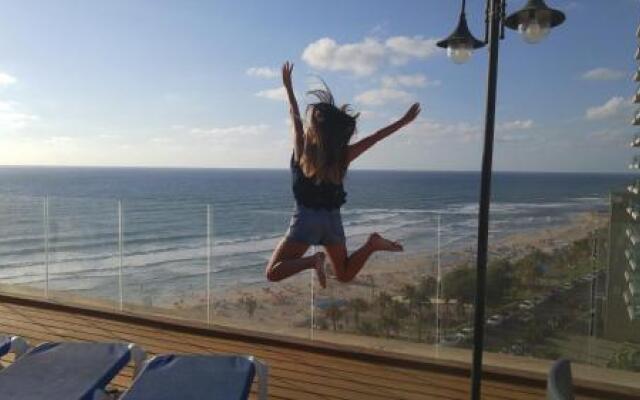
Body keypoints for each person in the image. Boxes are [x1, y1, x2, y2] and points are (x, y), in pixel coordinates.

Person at [265, 61, 421, 288]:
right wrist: (403, 122)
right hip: (332, 222)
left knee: (273, 273)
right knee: (345, 274)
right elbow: (374, 138)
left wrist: (288, 88)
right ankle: (372, 245)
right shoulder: (342, 157)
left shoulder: (303, 152)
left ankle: (312, 260)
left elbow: (295, 118)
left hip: (306, 221)